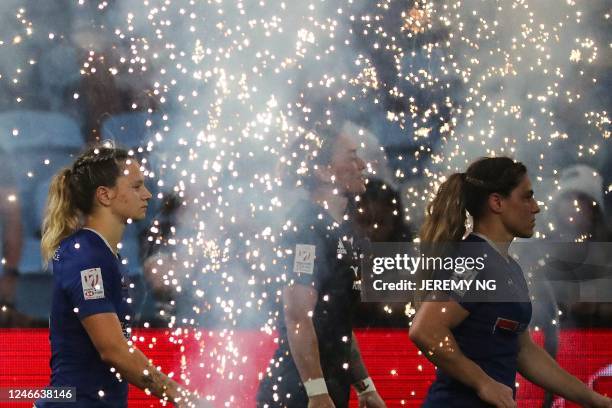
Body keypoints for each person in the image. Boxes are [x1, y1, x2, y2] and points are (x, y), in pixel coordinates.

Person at [409, 157, 612, 408]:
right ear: (497, 202)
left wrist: (593, 399)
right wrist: (483, 382)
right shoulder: (474, 261)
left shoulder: (508, 267)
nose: (536, 207)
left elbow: (522, 350)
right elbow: (425, 330)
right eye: (526, 197)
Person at [37, 145, 198, 407]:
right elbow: (114, 351)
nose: (147, 194)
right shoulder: (86, 258)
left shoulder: (100, 254)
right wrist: (181, 396)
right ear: (105, 195)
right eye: (136, 186)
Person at [257, 126, 386, 407]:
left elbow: (336, 322)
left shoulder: (341, 229)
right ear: (324, 171)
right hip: (298, 394)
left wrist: (365, 387)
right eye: (352, 157)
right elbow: (297, 315)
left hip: (326, 389)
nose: (362, 165)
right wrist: (315, 392)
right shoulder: (306, 227)